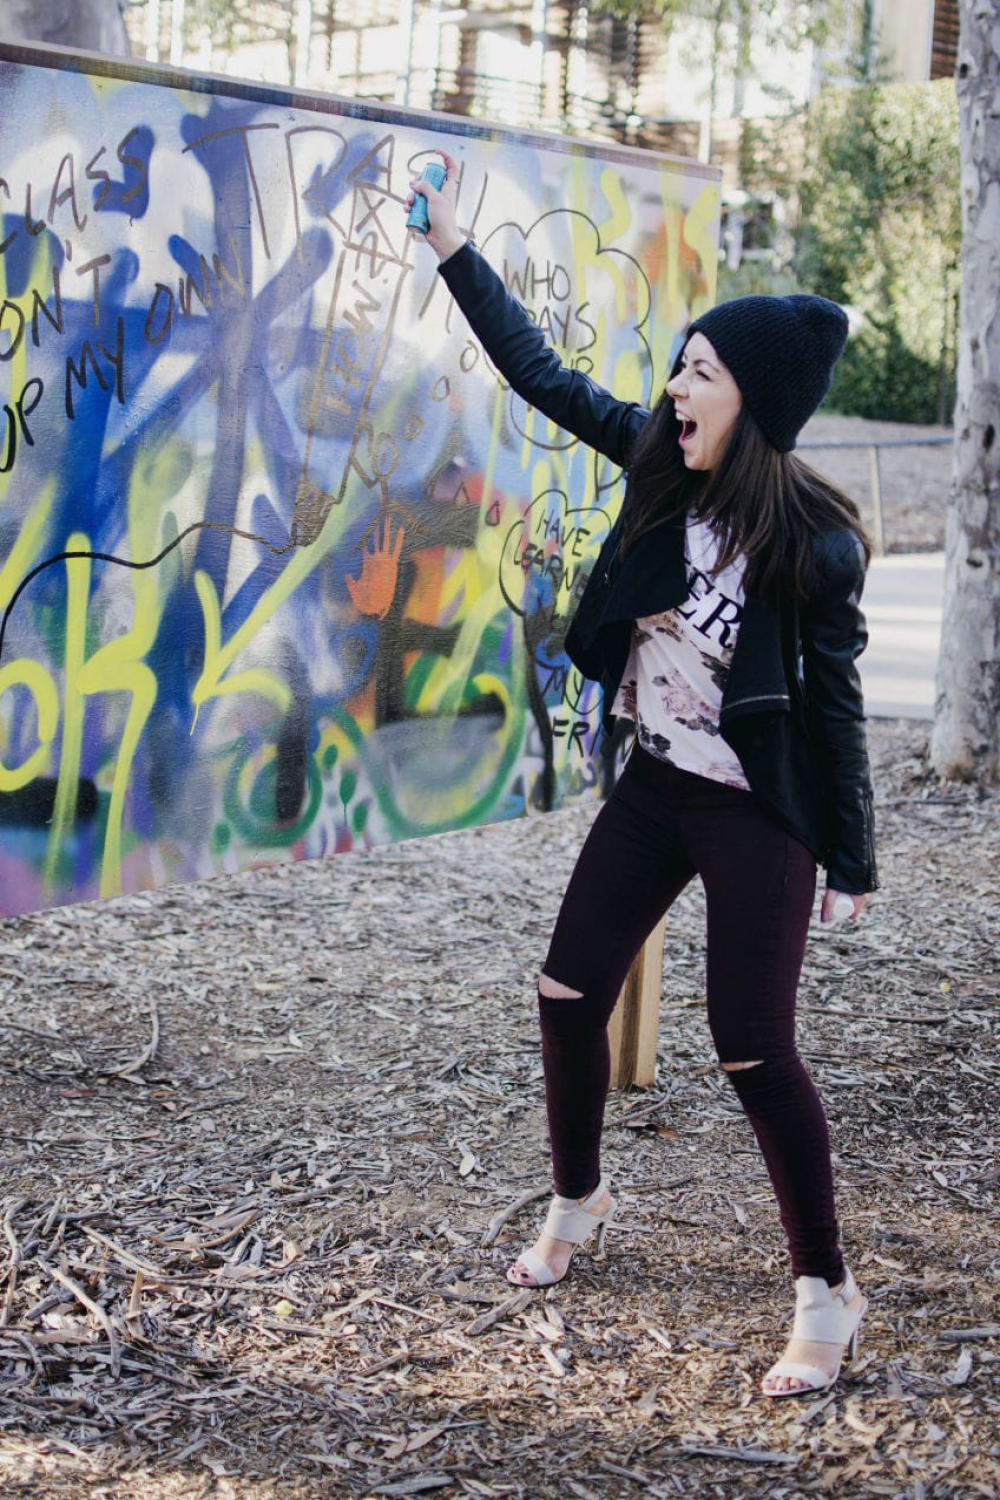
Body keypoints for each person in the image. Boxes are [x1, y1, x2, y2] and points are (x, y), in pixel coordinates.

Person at [409, 154, 877, 1399]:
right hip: (659, 785)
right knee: (565, 991)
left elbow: (830, 704)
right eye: (676, 364)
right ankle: (580, 1200)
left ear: (755, 402)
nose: (673, 387)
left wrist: (853, 858)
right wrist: (456, 247)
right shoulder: (657, 468)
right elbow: (538, 373)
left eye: (699, 372)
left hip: (756, 811)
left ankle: (826, 1290)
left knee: (751, 1051)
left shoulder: (811, 543)